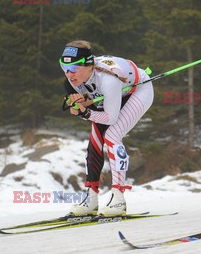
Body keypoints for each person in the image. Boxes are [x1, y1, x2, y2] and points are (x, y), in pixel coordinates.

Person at [59, 40, 154, 216]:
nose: (69, 74)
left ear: (88, 65)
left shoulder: (108, 80)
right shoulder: (71, 80)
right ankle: (91, 197)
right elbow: (75, 109)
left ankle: (118, 198)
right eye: (64, 67)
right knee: (95, 138)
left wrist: (85, 113)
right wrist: (77, 106)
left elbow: (110, 118)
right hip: (109, 96)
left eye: (73, 68)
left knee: (112, 135)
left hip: (138, 91)